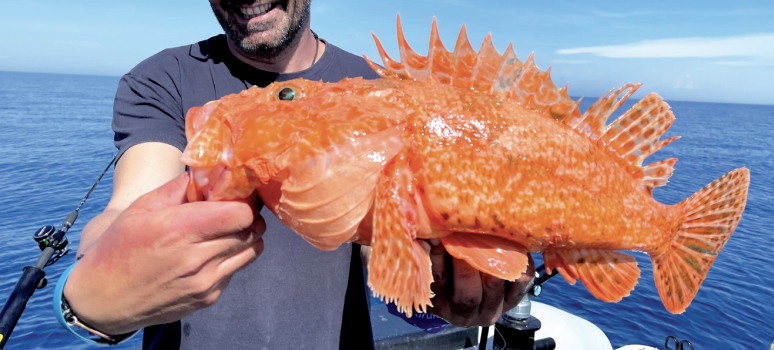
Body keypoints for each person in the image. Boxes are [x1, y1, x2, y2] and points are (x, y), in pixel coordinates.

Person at [60, 1, 536, 349]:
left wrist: (440, 298)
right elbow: (128, 206)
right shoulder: (163, 78)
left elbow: (387, 250)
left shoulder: (377, 86)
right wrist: (91, 299)